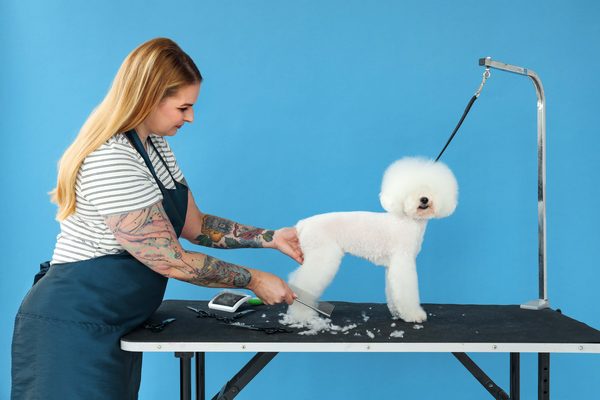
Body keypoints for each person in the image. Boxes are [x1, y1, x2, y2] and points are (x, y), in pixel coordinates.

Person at [11, 37, 302, 399]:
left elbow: (194, 226)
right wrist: (254, 279)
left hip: (115, 325)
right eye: (183, 107)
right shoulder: (111, 160)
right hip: (72, 330)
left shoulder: (154, 146)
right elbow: (170, 259)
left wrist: (271, 238)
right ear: (149, 97)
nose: (191, 117)